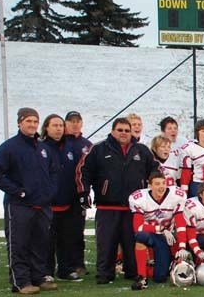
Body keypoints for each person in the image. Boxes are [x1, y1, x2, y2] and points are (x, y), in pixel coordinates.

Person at [0, 108, 59, 294]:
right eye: (29, 121)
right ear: (20, 123)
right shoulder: (9, 147)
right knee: (19, 244)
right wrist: (18, 191)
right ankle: (20, 281)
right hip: (19, 205)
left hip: (42, 205)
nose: (32, 125)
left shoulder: (43, 148)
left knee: (40, 243)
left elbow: (53, 172)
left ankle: (38, 276)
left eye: (35, 121)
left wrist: (50, 191)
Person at [78, 117, 157, 284]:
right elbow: (84, 171)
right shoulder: (99, 149)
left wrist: (151, 193)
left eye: (127, 130)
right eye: (120, 130)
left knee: (131, 242)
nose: (124, 133)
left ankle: (132, 272)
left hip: (133, 208)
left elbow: (155, 171)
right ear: (113, 131)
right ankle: (104, 274)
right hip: (108, 206)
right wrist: (84, 192)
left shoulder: (141, 150)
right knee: (106, 243)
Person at [41, 114, 82, 282]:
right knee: (47, 240)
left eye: (60, 125)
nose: (58, 128)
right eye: (54, 125)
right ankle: (46, 271)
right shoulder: (40, 147)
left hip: (68, 202)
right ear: (46, 128)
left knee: (67, 239)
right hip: (47, 203)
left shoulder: (70, 147)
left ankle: (66, 269)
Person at [128, 172, 186, 290]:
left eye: (163, 183)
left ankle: (154, 266)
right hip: (150, 234)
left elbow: (180, 223)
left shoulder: (176, 195)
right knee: (140, 236)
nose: (161, 186)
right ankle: (141, 277)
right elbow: (138, 227)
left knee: (160, 277)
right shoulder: (139, 198)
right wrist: (160, 228)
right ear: (149, 185)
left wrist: (182, 246)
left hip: (165, 238)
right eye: (157, 184)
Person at [65, 110, 92, 277]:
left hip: (78, 194)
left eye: (78, 121)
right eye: (71, 121)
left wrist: (86, 191)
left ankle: (78, 263)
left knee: (77, 230)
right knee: (57, 233)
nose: (75, 124)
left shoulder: (87, 144)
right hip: (60, 194)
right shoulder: (61, 142)